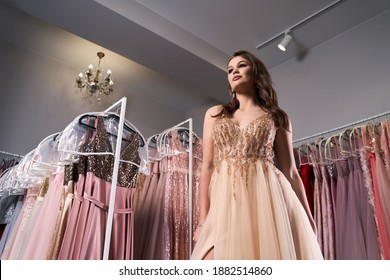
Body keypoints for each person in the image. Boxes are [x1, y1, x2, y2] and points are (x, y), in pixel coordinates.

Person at [190, 50, 323, 260]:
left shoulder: (277, 117)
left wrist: (308, 215)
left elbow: (290, 171)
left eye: (241, 65)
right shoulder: (215, 114)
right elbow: (207, 167)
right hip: (225, 203)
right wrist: (202, 220)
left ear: (256, 72)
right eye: (230, 69)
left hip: (268, 202)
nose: (234, 71)